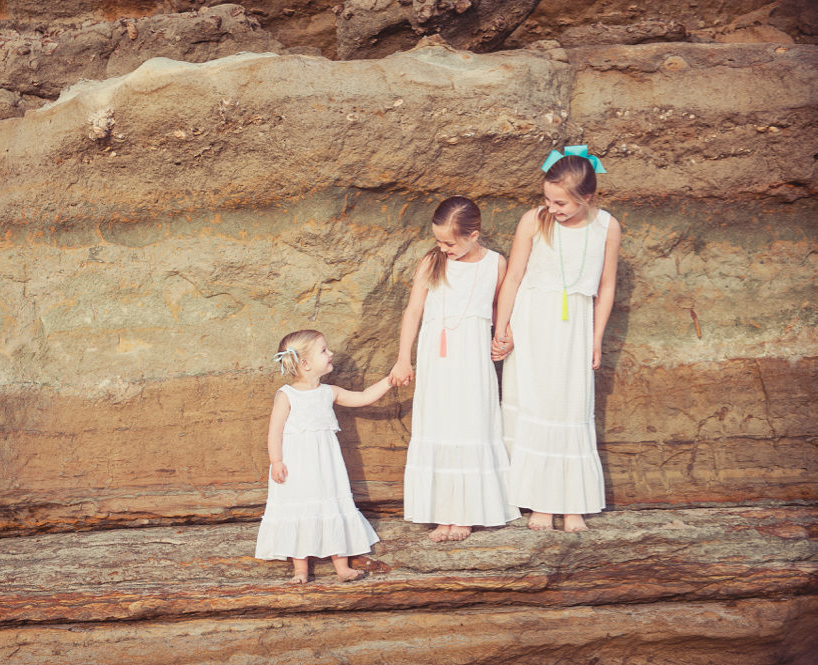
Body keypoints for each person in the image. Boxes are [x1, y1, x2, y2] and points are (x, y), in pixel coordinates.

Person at [491, 145, 621, 533]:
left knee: (570, 408)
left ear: (588, 197)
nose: (553, 208)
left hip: (575, 327)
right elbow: (513, 277)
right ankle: (540, 503)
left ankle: (572, 503)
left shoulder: (607, 226)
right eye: (547, 199)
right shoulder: (534, 220)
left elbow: (606, 286)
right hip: (533, 322)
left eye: (561, 202)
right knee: (537, 405)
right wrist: (502, 327)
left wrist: (596, 339)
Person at [390, 196, 521, 543]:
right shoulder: (432, 262)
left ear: (473, 234)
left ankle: (466, 512)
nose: (443, 247)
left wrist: (505, 338)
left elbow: (501, 311)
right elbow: (413, 312)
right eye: (438, 240)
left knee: (470, 425)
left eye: (450, 242)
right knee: (440, 425)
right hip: (436, 358)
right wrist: (404, 357)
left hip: (473, 359)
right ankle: (444, 513)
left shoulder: (496, 264)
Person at [255, 329, 393, 583]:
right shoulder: (288, 395)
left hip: (326, 465)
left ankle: (341, 566)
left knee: (331, 503)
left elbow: (363, 398)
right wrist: (276, 461)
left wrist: (389, 380)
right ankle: (300, 570)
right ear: (305, 364)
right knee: (299, 507)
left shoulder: (329, 392)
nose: (331, 353)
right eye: (324, 350)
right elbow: (274, 431)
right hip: (297, 466)